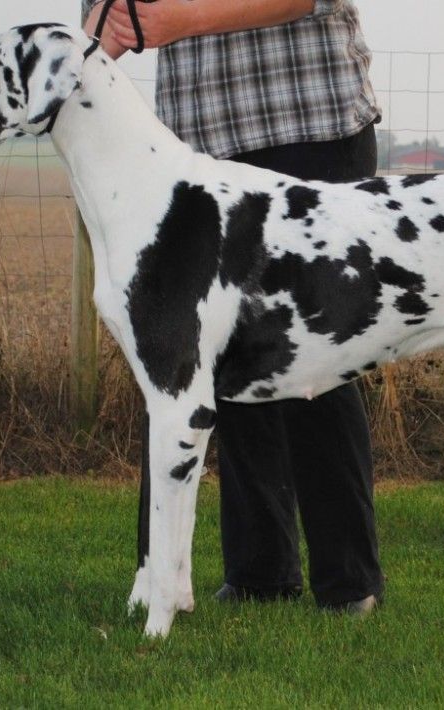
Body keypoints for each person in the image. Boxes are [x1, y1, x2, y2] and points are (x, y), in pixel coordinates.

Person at [81, 0, 385, 612]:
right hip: (196, 149)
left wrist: (184, 19)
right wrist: (89, 45)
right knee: (217, 365)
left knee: (319, 362)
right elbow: (102, 17)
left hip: (306, 123)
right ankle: (259, 574)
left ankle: (348, 582)